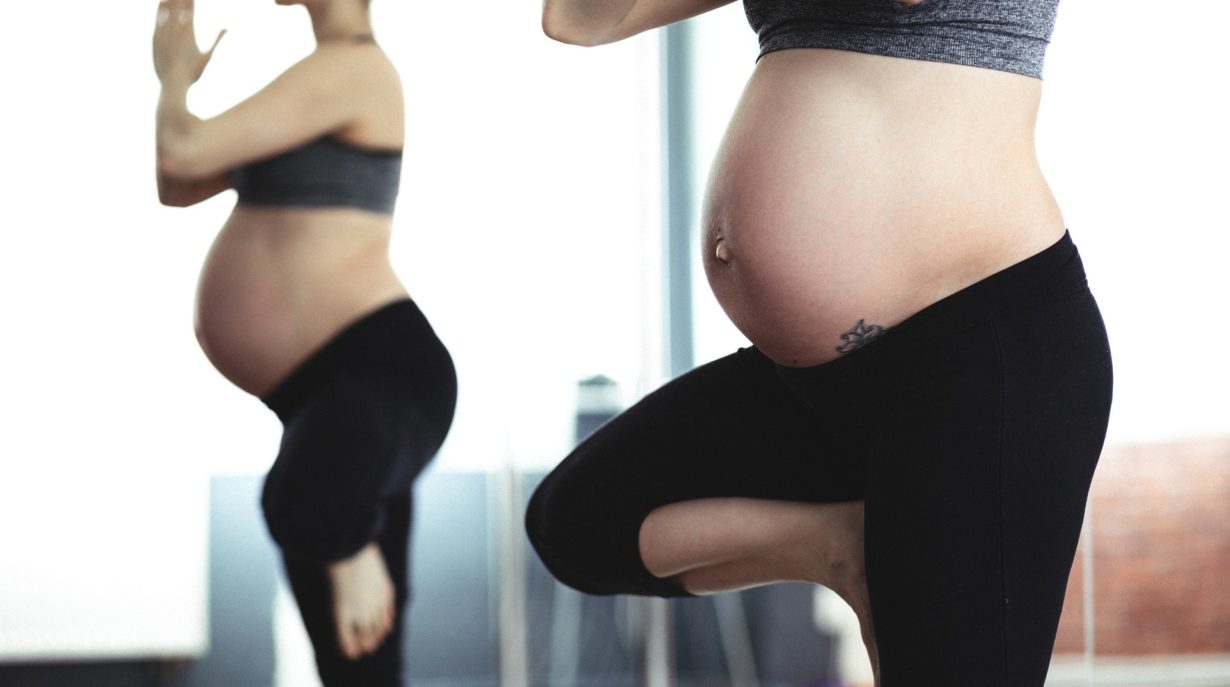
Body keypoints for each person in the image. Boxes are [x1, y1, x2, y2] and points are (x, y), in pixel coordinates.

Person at [525, 1, 1112, 685]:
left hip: (974, 354)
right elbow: (579, 17)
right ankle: (837, 547)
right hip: (817, 383)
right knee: (580, 522)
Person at [153, 0, 456, 684]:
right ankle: (345, 541)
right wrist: (179, 90)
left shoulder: (355, 69)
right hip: (327, 391)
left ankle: (347, 542)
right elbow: (177, 181)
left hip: (379, 373)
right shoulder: (314, 81)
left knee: (306, 507)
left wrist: (173, 78)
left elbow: (182, 145)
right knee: (356, 663)